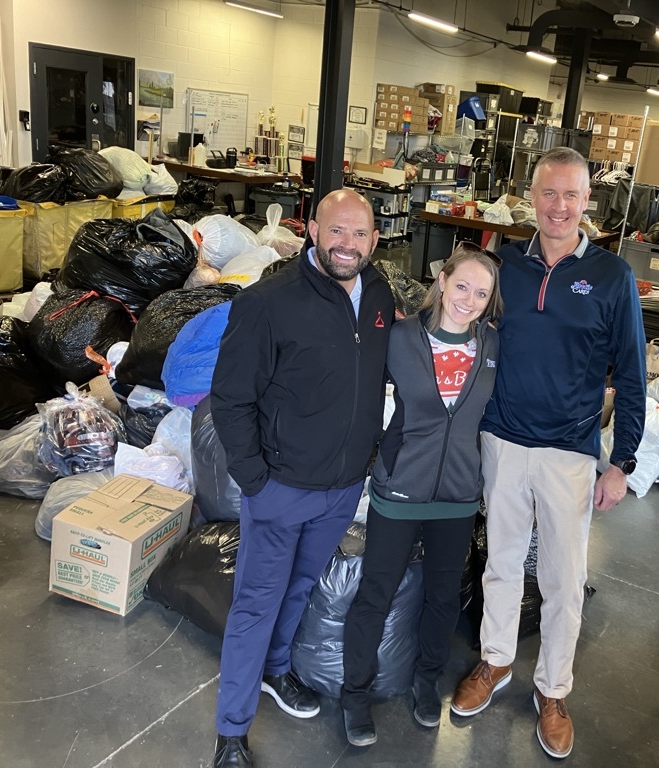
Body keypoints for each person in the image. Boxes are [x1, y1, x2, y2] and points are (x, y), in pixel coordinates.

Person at [450, 147, 647, 760]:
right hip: (503, 440)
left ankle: (554, 690)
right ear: (530, 196)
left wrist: (622, 462)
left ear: (588, 200)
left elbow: (634, 376)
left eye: (571, 195)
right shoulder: (503, 264)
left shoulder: (611, 276)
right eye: (548, 194)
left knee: (564, 577)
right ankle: (495, 662)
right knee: (501, 564)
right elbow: (462, 324)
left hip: (568, 452)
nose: (559, 207)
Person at [209, 188, 395, 768]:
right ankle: (231, 732)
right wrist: (257, 482)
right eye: (336, 231)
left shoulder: (380, 294)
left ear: (375, 238)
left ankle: (277, 669)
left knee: (300, 587)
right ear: (312, 229)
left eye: (359, 233)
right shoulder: (269, 302)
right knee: (256, 602)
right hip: (281, 489)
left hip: (343, 488)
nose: (347, 244)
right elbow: (230, 399)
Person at [340, 244, 503, 747]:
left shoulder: (494, 346)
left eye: (481, 294)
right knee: (376, 593)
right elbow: (356, 392)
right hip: (399, 490)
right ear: (442, 280)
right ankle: (355, 695)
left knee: (441, 596)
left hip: (456, 495)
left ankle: (425, 680)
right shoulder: (401, 338)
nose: (468, 300)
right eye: (462, 286)